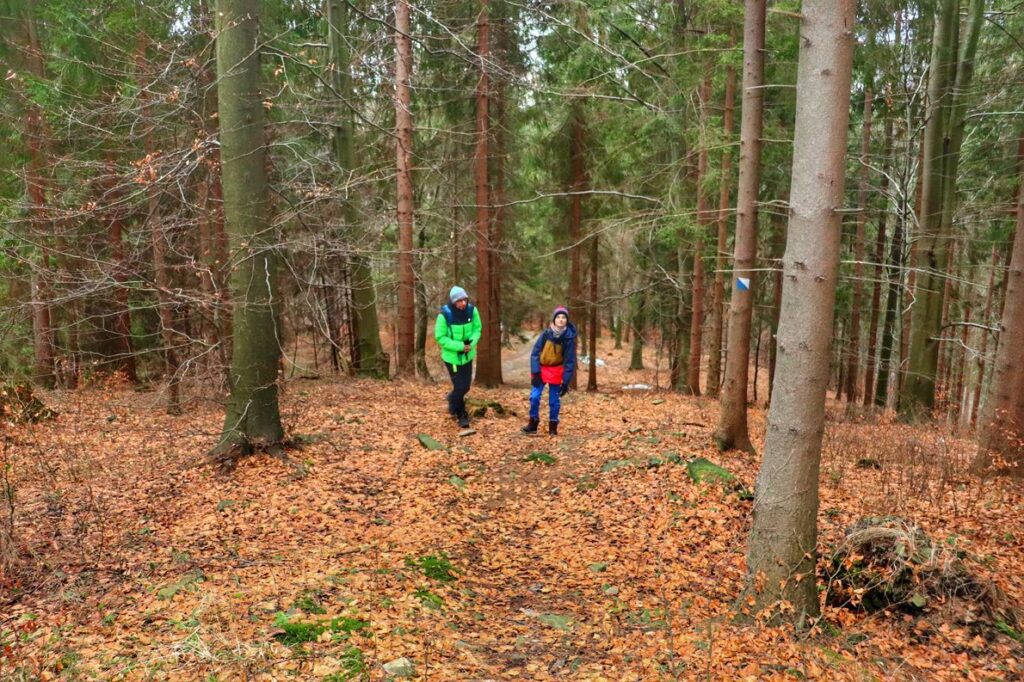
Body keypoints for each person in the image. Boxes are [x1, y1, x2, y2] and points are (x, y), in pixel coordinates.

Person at [523, 306, 577, 436]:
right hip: (541, 370)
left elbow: (570, 361)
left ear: (567, 320)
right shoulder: (546, 334)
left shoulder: (569, 339)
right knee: (534, 397)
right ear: (554, 319)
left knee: (554, 400)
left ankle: (553, 426)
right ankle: (533, 423)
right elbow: (535, 353)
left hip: (557, 370)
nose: (561, 319)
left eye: (563, 317)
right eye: (558, 317)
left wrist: (566, 381)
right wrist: (535, 372)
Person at [435, 286, 481, 428]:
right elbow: (440, 337)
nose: (463, 303)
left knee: (465, 386)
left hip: (467, 356)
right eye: (459, 301)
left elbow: (477, 329)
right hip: (452, 358)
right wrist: (460, 346)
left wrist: (470, 344)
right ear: (453, 301)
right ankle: (461, 415)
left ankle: (452, 399)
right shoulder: (445, 315)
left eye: (464, 300)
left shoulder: (472, 311)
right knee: (460, 386)